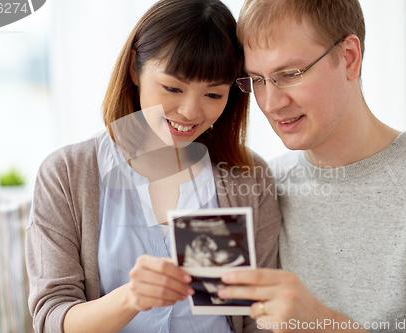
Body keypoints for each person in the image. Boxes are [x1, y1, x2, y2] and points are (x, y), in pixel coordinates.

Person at [25, 0, 281, 332]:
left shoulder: (249, 177)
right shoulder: (67, 174)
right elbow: (50, 318)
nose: (190, 111)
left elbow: (258, 319)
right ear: (135, 68)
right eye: (173, 88)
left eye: (213, 95)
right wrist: (131, 298)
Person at [217, 0, 406, 332]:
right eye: (257, 80)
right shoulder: (263, 187)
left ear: (349, 57)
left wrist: (325, 324)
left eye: (289, 74)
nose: (270, 103)